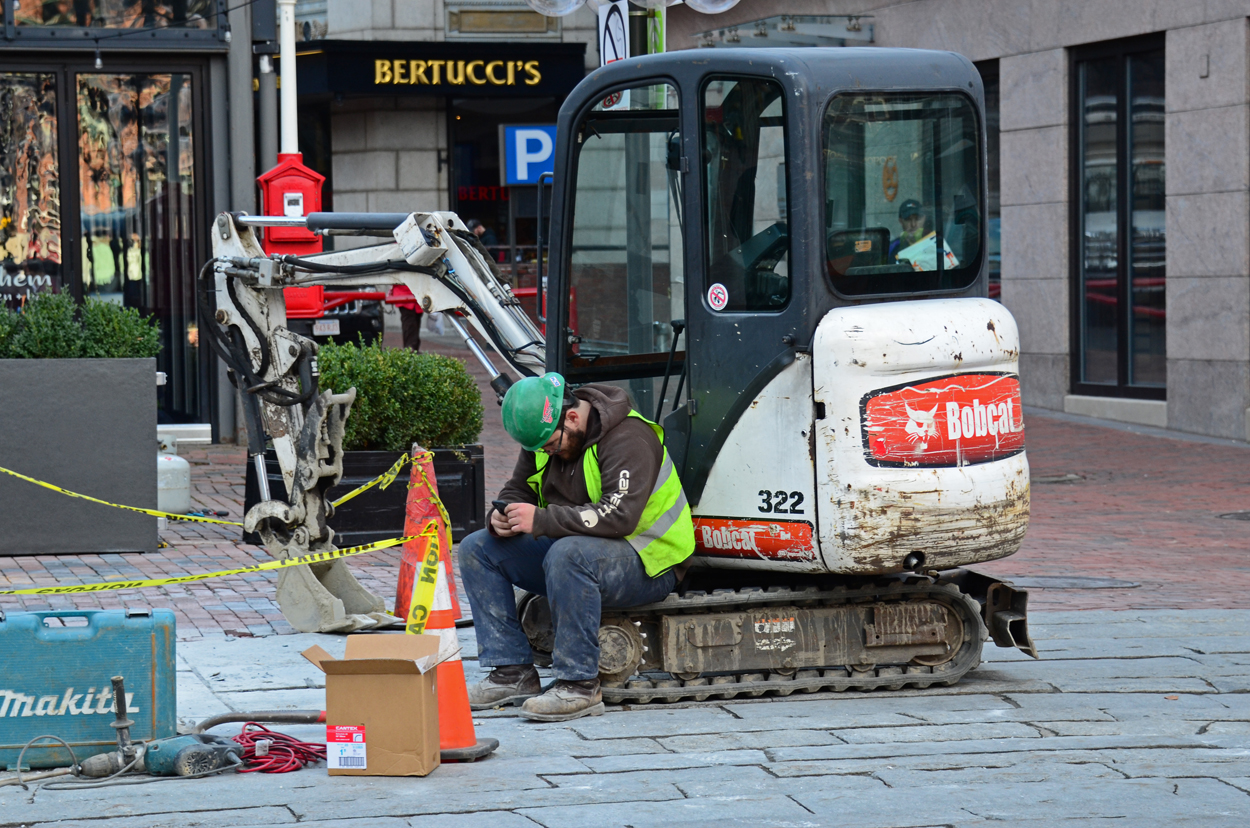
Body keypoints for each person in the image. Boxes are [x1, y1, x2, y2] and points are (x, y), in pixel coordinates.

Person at [459, 373, 695, 722]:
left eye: (550, 446)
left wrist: (540, 520)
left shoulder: (629, 437)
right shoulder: (544, 436)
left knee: (568, 554)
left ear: (571, 417)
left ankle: (579, 685)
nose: (545, 453)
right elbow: (518, 489)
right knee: (477, 548)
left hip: (648, 560)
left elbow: (620, 517)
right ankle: (512, 672)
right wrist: (501, 516)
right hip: (577, 552)